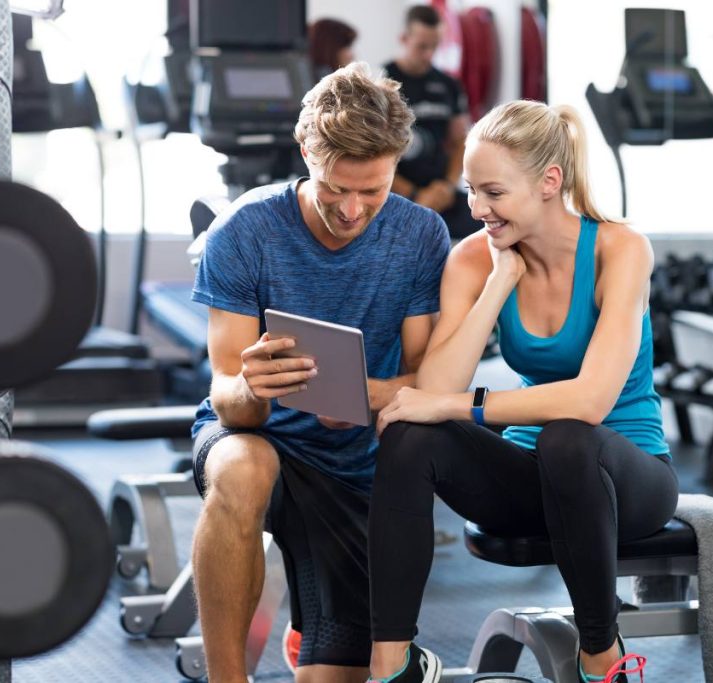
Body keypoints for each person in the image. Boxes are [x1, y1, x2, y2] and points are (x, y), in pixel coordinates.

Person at [365, 100, 679, 683]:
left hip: (625, 477)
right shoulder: (472, 258)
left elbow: (588, 403)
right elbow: (434, 390)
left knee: (567, 437)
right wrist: (497, 285)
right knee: (410, 434)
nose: (477, 208)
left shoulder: (620, 249)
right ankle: (393, 666)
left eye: (493, 193)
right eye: (470, 191)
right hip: (529, 476)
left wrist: (460, 407)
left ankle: (601, 657)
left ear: (548, 183)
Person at [189, 62, 450, 682]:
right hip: (257, 438)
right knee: (245, 466)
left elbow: (427, 377)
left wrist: (367, 397)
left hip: (357, 462)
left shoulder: (420, 236)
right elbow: (226, 393)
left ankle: (315, 631)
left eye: (374, 189)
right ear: (307, 150)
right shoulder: (245, 231)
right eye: (337, 187)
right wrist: (252, 388)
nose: (354, 209)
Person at [384, 5, 477, 240]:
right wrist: (415, 194)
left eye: (434, 46)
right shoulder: (381, 82)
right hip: (395, 192)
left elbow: (460, 141)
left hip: (440, 191)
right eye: (422, 46)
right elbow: (371, 152)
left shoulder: (449, 85)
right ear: (404, 39)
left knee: (483, 227)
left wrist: (446, 186)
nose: (428, 54)